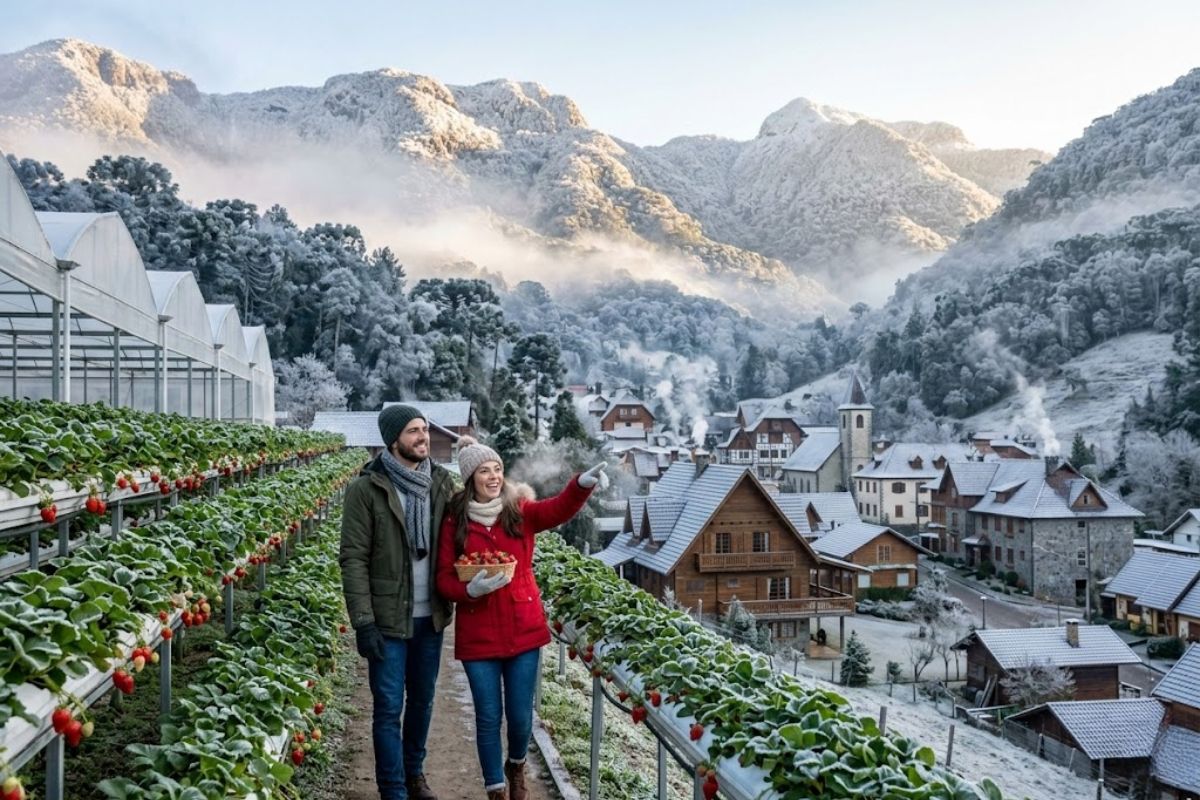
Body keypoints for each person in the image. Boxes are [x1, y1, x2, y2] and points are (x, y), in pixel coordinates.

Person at [435, 437, 606, 800]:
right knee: (486, 715)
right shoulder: (456, 520)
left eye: (497, 468)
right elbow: (444, 578)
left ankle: (516, 762)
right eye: (485, 471)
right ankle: (496, 788)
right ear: (470, 479)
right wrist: (469, 591)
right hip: (478, 633)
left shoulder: (519, 511)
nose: (494, 476)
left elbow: (556, 510)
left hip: (523, 629)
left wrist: (580, 486)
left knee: (519, 717)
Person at [340, 405, 454, 800]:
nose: (423, 437)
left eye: (424, 429)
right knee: (389, 707)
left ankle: (415, 774)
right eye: (413, 431)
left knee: (422, 701)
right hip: (387, 619)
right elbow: (353, 558)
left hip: (430, 617)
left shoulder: (440, 484)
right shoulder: (366, 489)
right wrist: (363, 621)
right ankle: (393, 789)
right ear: (393, 440)